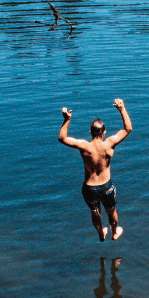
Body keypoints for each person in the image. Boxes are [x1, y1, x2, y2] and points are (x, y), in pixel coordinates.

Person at [59, 99, 132, 241]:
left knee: (95, 212)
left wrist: (67, 120)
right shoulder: (109, 143)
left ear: (90, 132)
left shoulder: (84, 146)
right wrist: (122, 109)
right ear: (104, 132)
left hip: (89, 188)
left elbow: (62, 138)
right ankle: (114, 233)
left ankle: (101, 234)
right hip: (106, 186)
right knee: (111, 211)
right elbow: (128, 128)